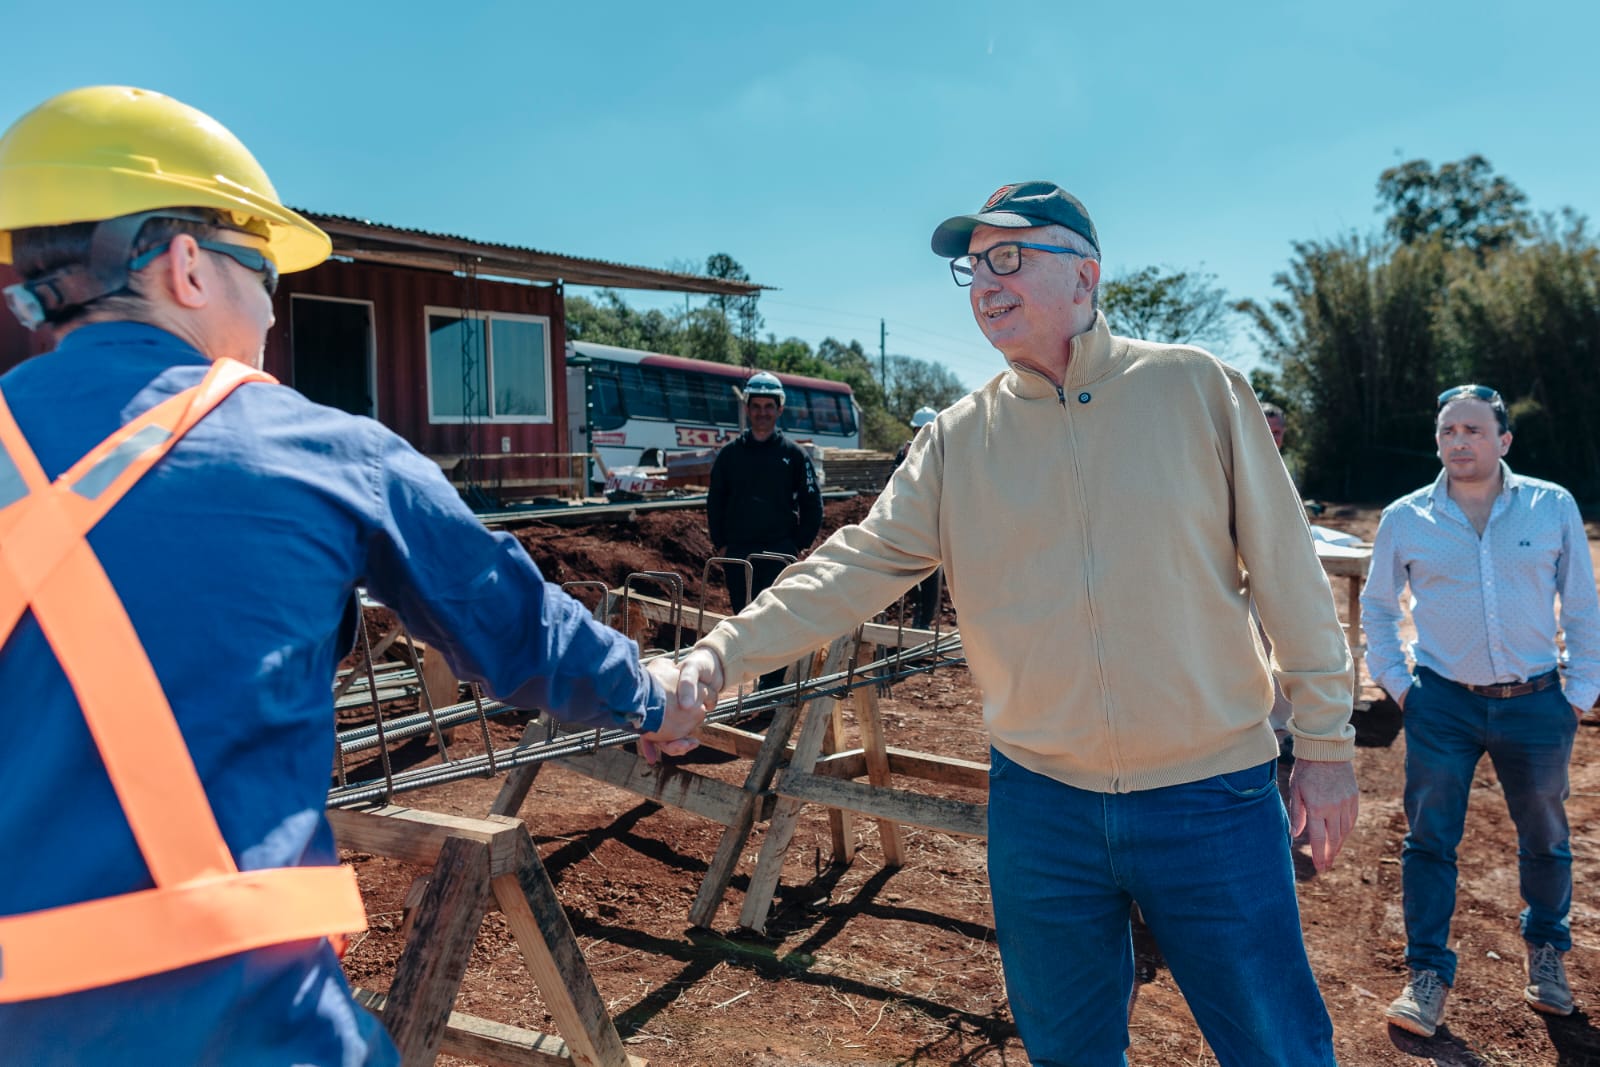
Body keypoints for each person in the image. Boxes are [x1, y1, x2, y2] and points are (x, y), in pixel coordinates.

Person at [0, 85, 698, 1064]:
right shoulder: (322, 452)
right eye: (264, 274)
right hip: (247, 1031)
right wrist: (651, 692)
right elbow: (514, 627)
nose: (270, 312)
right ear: (187, 265)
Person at [668, 180, 1359, 1066]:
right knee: (1067, 1052)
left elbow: (1290, 574)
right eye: (974, 265)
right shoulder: (958, 440)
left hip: (1212, 795)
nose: (986, 281)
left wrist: (1325, 744)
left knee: (1278, 1047)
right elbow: (851, 566)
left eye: (1009, 255)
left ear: (1085, 275)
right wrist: (718, 655)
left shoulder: (1196, 389)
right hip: (1043, 806)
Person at [1362, 383, 1600, 1037]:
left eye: (1472, 429)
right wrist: (1400, 685)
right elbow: (1378, 608)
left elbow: (1582, 605)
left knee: (1546, 837)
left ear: (1504, 440)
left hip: (1537, 702)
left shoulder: (1551, 506)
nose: (1458, 441)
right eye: (1448, 431)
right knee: (1429, 839)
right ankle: (1426, 973)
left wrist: (1579, 693)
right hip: (1441, 703)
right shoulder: (1406, 517)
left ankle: (1546, 954)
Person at [705, 370, 822, 687]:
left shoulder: (793, 456)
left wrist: (796, 545)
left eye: (769, 406)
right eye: (756, 406)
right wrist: (722, 545)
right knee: (745, 625)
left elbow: (813, 504)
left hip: (778, 556)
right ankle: (754, 688)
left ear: (779, 409)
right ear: (747, 408)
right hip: (738, 557)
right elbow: (715, 502)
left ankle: (769, 695)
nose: (762, 413)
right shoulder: (730, 455)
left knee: (775, 627)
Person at [894, 405, 942, 629]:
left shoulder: (944, 454)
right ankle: (916, 616)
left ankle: (923, 624)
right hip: (910, 528)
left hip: (933, 530)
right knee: (912, 579)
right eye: (918, 430)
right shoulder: (904, 454)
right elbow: (891, 486)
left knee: (931, 580)